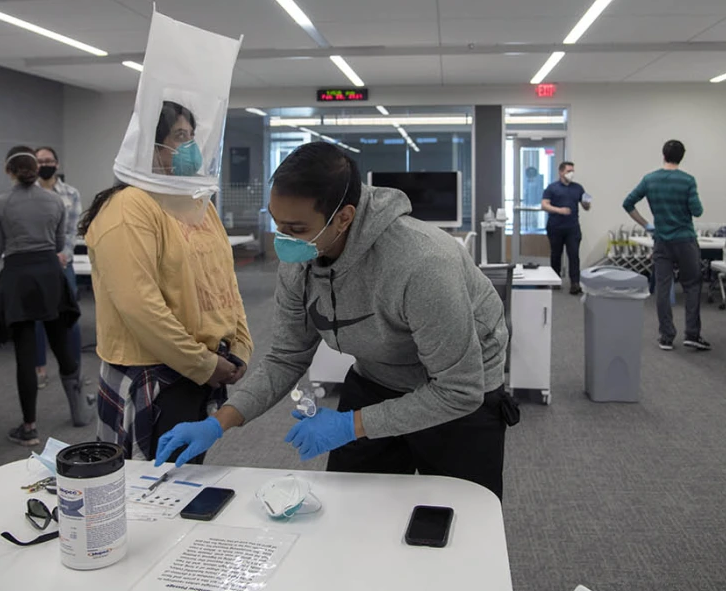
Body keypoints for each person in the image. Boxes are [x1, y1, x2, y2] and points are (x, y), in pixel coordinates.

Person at [155, 142, 516, 500]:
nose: (283, 241)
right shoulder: (302, 259)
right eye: (277, 224)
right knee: (354, 512)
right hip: (378, 378)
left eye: (295, 228)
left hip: (458, 395)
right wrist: (219, 422)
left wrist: (350, 424)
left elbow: (459, 389)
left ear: (343, 217)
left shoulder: (421, 264)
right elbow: (286, 355)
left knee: (460, 522)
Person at [81, 100, 253, 461]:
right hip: (158, 373)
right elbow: (140, 306)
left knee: (186, 476)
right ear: (151, 146)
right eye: (179, 136)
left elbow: (225, 282)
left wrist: (239, 346)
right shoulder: (130, 207)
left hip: (201, 370)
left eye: (192, 136)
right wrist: (204, 364)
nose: (190, 147)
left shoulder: (195, 204)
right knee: (154, 488)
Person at [0, 146, 94, 446]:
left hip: (18, 278)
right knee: (62, 345)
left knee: (25, 354)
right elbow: (60, 243)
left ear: (8, 172)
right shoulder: (54, 201)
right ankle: (80, 413)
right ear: (36, 170)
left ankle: (29, 427)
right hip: (50, 276)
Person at [623, 140, 709, 351]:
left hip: (661, 239)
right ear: (682, 156)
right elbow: (697, 211)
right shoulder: (688, 181)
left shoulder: (650, 179)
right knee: (692, 285)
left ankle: (666, 336)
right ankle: (692, 334)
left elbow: (628, 203)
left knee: (662, 287)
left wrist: (647, 225)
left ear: (663, 154)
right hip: (685, 240)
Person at [32, 146, 83, 389]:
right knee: (37, 318)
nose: (45, 165)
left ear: (57, 164)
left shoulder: (70, 193)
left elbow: (72, 231)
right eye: (40, 161)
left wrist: (64, 254)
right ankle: (39, 368)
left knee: (69, 316)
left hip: (63, 264)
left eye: (49, 160)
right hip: (36, 264)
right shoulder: (27, 194)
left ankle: (74, 370)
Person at [541, 161, 591, 295]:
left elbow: (586, 206)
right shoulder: (552, 188)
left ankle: (575, 283)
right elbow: (544, 205)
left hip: (572, 228)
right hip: (555, 227)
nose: (571, 174)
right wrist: (559, 210)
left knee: (574, 255)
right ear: (561, 172)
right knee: (556, 254)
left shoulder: (578, 188)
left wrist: (587, 203)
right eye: (569, 171)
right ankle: (555, 280)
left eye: (572, 171)